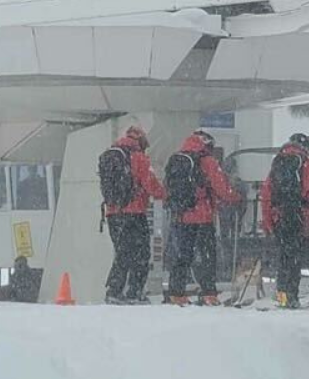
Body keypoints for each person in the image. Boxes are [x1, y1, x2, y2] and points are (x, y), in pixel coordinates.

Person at [165, 130, 240, 306]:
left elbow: (167, 188)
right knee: (207, 256)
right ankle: (208, 293)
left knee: (182, 256)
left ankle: (176, 293)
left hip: (180, 216)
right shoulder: (207, 161)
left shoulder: (177, 159)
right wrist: (235, 197)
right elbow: (220, 187)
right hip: (202, 216)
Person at [261, 134, 309, 308]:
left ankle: (282, 296)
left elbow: (266, 195)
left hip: (280, 217)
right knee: (295, 258)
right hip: (300, 217)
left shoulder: (276, 166)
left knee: (283, 257)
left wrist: (267, 221)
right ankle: (292, 298)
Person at [99, 126, 167, 305]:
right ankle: (134, 292)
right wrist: (165, 194)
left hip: (113, 213)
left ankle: (114, 290)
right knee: (141, 254)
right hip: (134, 213)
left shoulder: (112, 154)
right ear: (141, 141)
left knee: (122, 253)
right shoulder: (139, 158)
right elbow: (151, 185)